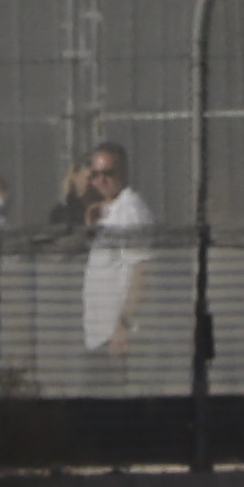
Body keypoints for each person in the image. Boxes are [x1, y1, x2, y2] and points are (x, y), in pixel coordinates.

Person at [74, 141, 153, 353]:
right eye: (96, 174)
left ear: (124, 172)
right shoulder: (105, 211)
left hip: (118, 336)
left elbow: (141, 270)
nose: (101, 180)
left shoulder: (130, 209)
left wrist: (124, 326)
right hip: (99, 335)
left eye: (108, 173)